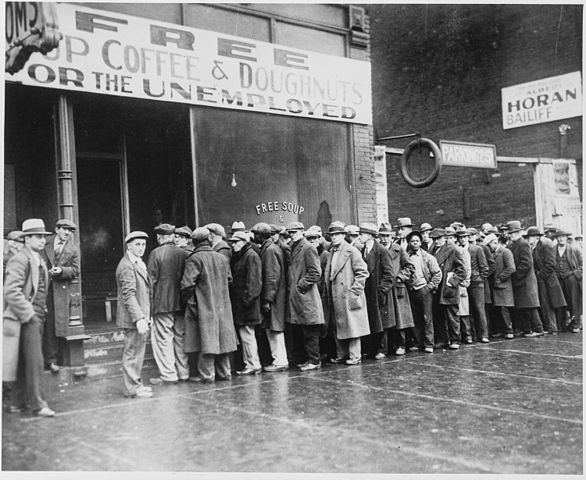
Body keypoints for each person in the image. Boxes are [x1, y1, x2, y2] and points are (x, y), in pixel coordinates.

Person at [4, 219, 55, 417]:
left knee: (24, 360)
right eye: (38, 236)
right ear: (27, 239)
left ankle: (17, 402)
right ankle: (38, 404)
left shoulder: (37, 258)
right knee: (35, 360)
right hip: (27, 317)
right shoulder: (21, 259)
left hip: (37, 313)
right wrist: (29, 314)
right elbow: (11, 291)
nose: (42, 240)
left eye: (44, 236)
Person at [181, 228, 238, 382]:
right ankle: (225, 373)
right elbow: (229, 280)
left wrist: (188, 302)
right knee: (222, 340)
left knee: (205, 340)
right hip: (222, 306)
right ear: (208, 240)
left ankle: (208, 375)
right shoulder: (221, 258)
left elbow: (187, 285)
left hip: (203, 306)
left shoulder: (195, 259)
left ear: (194, 242)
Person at [147, 223, 190, 385]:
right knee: (180, 337)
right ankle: (183, 372)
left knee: (164, 339)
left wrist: (149, 308)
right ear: (172, 236)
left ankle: (169, 374)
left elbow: (151, 282)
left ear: (159, 237)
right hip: (181, 303)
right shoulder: (183, 253)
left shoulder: (155, 253)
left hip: (162, 303)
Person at [323, 221, 370, 365]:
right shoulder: (331, 251)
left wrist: (354, 292)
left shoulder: (352, 251)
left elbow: (363, 272)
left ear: (343, 235)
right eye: (332, 235)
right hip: (335, 293)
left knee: (352, 326)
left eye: (337, 234)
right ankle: (341, 354)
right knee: (338, 325)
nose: (334, 237)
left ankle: (355, 356)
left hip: (348, 294)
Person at [116, 231, 154, 398]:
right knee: (132, 352)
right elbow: (129, 295)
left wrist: (146, 315)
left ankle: (136, 385)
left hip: (140, 316)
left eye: (143, 244)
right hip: (133, 318)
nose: (141, 248)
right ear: (128, 246)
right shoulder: (127, 266)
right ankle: (132, 388)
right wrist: (139, 318)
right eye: (137, 244)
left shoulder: (137, 263)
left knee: (137, 351)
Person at [43, 219, 80, 374]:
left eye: (70, 231)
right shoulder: (44, 241)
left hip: (58, 291)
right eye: (65, 230)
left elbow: (75, 270)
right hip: (41, 287)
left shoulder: (73, 249)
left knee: (53, 325)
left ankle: (52, 360)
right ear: (57, 229)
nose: (67, 234)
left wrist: (62, 271)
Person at [286, 222, 325, 371]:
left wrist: (300, 286)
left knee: (310, 330)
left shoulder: (308, 248)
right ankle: (309, 359)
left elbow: (315, 272)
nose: (292, 235)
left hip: (306, 296)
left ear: (302, 232)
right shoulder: (294, 247)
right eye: (290, 232)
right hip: (299, 297)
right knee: (303, 330)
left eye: (295, 232)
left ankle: (314, 361)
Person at [253, 223, 288, 372]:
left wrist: (267, 299)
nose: (253, 237)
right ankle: (279, 360)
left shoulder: (269, 250)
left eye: (255, 234)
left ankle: (280, 361)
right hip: (275, 296)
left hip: (274, 297)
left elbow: (272, 277)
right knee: (273, 328)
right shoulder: (271, 248)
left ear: (261, 235)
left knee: (275, 329)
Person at [228, 231, 263, 375]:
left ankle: (253, 364)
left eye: (236, 242)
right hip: (244, 304)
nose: (233, 245)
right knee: (246, 336)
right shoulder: (244, 255)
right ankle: (251, 363)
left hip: (247, 305)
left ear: (244, 242)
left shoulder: (250, 256)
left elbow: (255, 282)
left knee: (247, 335)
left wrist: (246, 300)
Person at [359, 222, 393, 359]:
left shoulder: (381, 251)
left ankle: (382, 349)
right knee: (372, 320)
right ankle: (372, 348)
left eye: (361, 234)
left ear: (369, 236)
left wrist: (381, 290)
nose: (359, 236)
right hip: (368, 292)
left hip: (378, 293)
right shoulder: (363, 250)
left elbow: (390, 274)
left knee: (381, 322)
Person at [429, 228, 467, 349]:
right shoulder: (432, 250)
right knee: (438, 315)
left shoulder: (453, 250)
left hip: (448, 288)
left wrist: (451, 281)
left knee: (452, 316)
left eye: (438, 239)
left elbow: (462, 271)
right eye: (434, 239)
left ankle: (455, 340)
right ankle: (442, 339)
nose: (436, 241)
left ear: (444, 238)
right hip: (437, 288)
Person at [525, 227, 566, 335]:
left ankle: (552, 328)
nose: (529, 239)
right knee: (544, 304)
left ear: (537, 237)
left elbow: (551, 264)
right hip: (542, 280)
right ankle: (549, 327)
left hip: (547, 280)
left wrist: (540, 275)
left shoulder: (544, 246)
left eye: (531, 237)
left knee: (548, 304)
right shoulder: (534, 247)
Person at [506, 221, 544, 337]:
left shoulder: (523, 244)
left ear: (518, 232)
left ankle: (538, 329)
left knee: (530, 306)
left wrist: (516, 275)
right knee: (523, 306)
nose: (510, 235)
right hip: (520, 281)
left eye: (513, 233)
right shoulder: (511, 245)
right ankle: (527, 329)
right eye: (510, 233)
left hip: (526, 281)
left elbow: (527, 263)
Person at [406, 230, 442, 353]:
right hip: (412, 290)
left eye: (417, 241)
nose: (414, 243)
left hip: (424, 290)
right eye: (412, 241)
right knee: (415, 318)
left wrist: (429, 287)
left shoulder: (427, 257)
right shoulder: (406, 256)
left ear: (420, 242)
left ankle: (429, 344)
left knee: (427, 318)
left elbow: (437, 274)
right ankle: (418, 342)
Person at [458, 228, 490, 343]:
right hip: (465, 284)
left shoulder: (477, 249)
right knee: (468, 310)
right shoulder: (459, 250)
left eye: (464, 237)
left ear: (468, 238)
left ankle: (484, 334)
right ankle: (473, 334)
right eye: (460, 237)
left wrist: (480, 278)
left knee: (479, 309)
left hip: (476, 283)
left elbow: (485, 267)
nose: (462, 239)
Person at [484, 233, 516, 338]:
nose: (489, 248)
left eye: (490, 245)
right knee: (498, 309)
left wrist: (500, 278)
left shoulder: (505, 252)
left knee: (504, 309)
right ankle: (502, 330)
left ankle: (509, 330)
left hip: (504, 286)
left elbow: (511, 268)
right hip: (497, 286)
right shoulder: (495, 253)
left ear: (495, 242)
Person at [553, 229, 582, 333]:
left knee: (574, 301)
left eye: (563, 237)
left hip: (571, 279)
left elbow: (582, 264)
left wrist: (574, 274)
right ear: (557, 238)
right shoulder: (553, 249)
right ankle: (562, 324)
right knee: (560, 301)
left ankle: (576, 324)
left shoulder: (574, 249)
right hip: (558, 279)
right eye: (559, 237)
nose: (561, 238)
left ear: (566, 238)